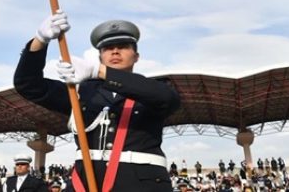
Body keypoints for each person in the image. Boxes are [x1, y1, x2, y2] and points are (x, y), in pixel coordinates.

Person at [14, 12, 181, 191]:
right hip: (85, 183)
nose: (115, 51)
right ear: (100, 56)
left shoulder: (153, 88)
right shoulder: (81, 91)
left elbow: (167, 99)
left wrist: (99, 72)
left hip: (139, 185)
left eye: (123, 46)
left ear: (137, 56)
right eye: (107, 48)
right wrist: (40, 41)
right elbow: (28, 85)